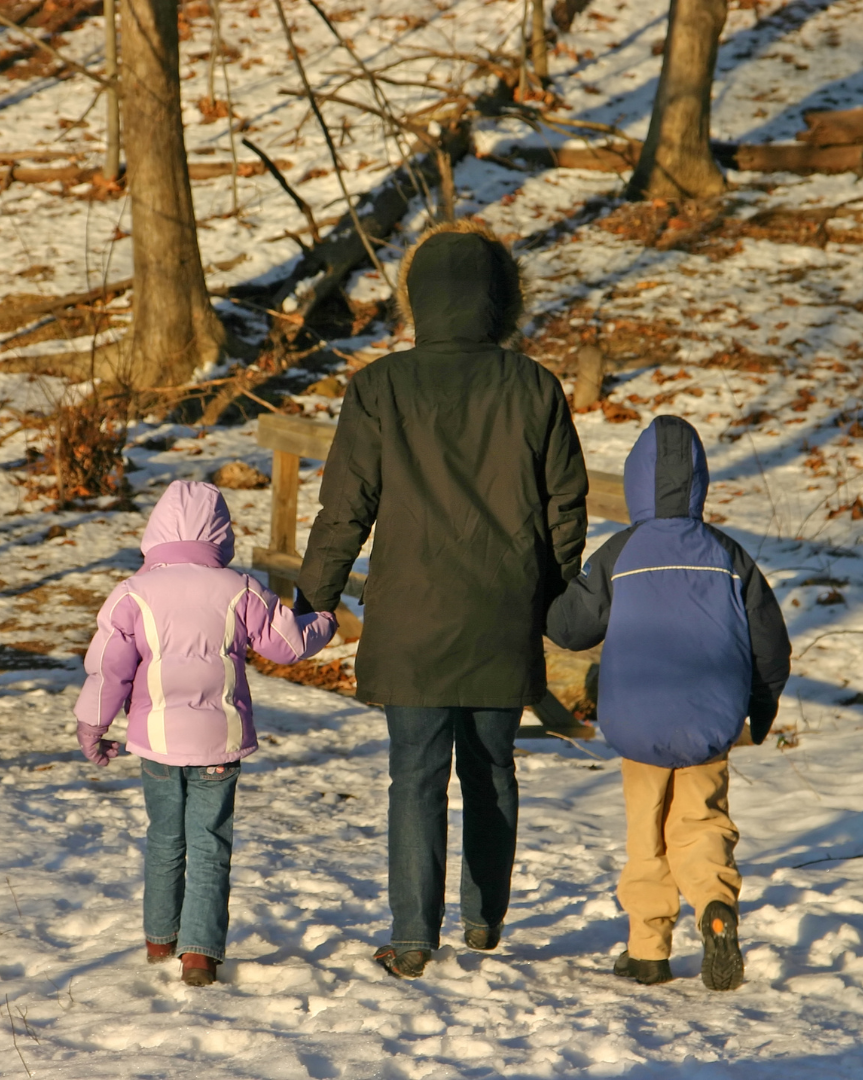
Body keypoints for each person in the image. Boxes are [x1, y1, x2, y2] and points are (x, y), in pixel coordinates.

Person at [296, 220, 589, 979]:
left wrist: (312, 598)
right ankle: (485, 919)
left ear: (419, 297)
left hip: (413, 618)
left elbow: (345, 507)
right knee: (492, 770)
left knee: (415, 776)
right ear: (501, 298)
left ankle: (413, 934)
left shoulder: (379, 387)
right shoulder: (533, 386)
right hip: (502, 612)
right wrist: (553, 593)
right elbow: (566, 503)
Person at [546, 415, 791, 990]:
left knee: (647, 830)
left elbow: (570, 630)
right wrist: (761, 707)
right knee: (702, 821)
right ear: (700, 481)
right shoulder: (729, 555)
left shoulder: (620, 552)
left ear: (636, 482)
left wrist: (552, 590)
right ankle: (714, 907)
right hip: (710, 716)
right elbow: (769, 643)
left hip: (638, 718)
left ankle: (648, 950)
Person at [74, 481, 336, 986]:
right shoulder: (238, 588)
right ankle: (199, 954)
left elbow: (109, 670)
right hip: (219, 740)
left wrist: (93, 727)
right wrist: (321, 620)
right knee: (211, 844)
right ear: (221, 532)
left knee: (165, 839)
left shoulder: (132, 593)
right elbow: (286, 645)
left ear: (156, 531)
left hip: (158, 743)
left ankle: (159, 937)